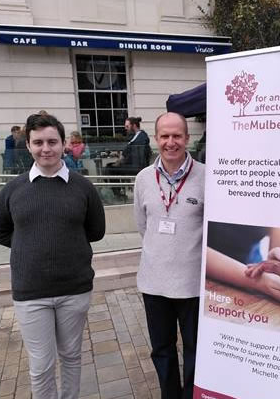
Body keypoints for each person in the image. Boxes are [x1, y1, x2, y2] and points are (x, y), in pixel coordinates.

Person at [0, 113, 106, 399]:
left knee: (71, 356)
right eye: (38, 142)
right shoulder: (14, 189)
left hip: (74, 290)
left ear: (64, 144)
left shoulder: (83, 188)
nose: (46, 148)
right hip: (31, 293)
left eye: (52, 141)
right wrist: (28, 244)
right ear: (28, 146)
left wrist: (62, 241)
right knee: (41, 365)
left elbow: (96, 231)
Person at [133, 112, 203, 399]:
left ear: (187, 138)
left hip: (193, 285)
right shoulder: (143, 179)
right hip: (154, 283)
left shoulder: (207, 176)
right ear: (156, 139)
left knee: (195, 350)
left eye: (177, 136)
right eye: (165, 136)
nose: (170, 142)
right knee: (162, 350)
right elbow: (142, 225)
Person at [107, 116, 151, 197]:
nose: (125, 128)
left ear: (134, 126)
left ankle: (118, 194)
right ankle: (118, 192)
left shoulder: (139, 138)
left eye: (127, 126)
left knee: (109, 169)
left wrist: (118, 162)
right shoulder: (139, 136)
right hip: (136, 164)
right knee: (111, 167)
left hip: (136, 166)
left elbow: (126, 153)